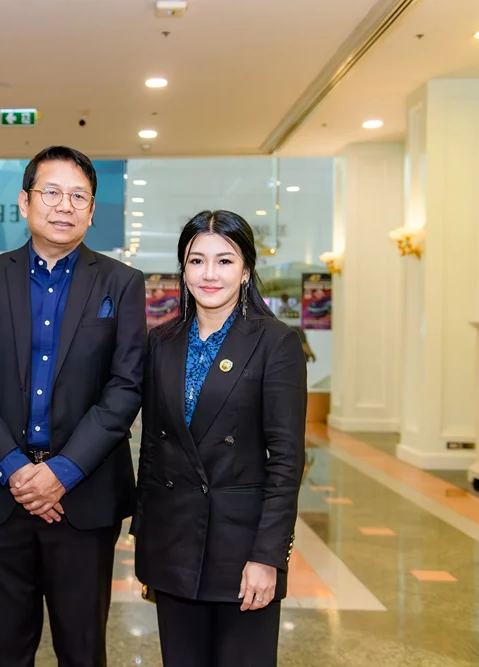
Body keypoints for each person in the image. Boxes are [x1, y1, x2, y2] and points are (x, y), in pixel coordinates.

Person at [0, 145, 146, 666]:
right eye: (52, 192)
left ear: (92, 210)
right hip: (1, 497)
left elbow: (126, 386)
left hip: (84, 502)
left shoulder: (121, 283)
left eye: (79, 196)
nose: (65, 206)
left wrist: (63, 471)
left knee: (83, 650)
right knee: (4, 651)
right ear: (25, 202)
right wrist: (15, 468)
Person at [131, 210, 306, 667]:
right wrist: (146, 543)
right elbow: (153, 449)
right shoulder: (162, 341)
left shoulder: (276, 343)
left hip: (242, 550)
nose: (209, 274)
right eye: (197, 260)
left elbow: (287, 460)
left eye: (224, 261)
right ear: (183, 268)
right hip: (173, 545)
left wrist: (268, 556)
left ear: (246, 270)